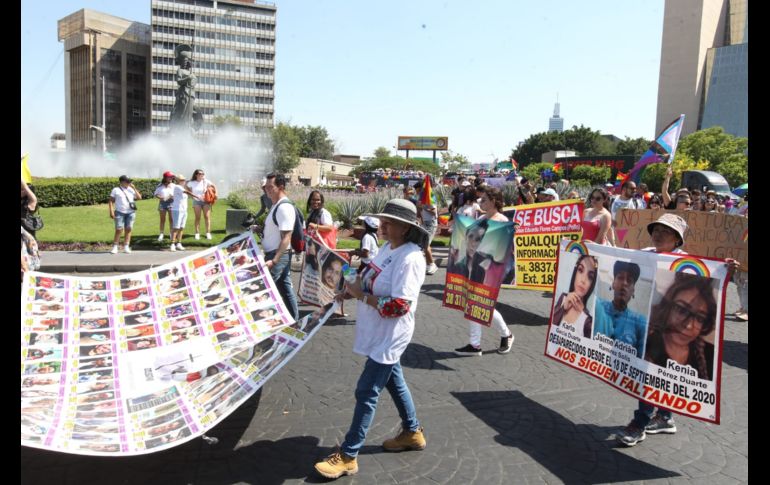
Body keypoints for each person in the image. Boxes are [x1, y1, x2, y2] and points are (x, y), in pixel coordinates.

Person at [314, 199, 428, 480]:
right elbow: (367, 277)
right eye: (382, 221)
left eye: (388, 223)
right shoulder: (388, 248)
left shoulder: (411, 258)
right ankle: (412, 432)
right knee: (394, 380)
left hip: (391, 334)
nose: (381, 226)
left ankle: (349, 455)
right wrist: (348, 286)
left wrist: (361, 296)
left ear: (405, 228)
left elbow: (400, 305)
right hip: (377, 330)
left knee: (366, 390)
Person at [452, 187, 514, 356]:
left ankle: (505, 334)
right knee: (473, 304)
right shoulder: (481, 218)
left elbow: (503, 249)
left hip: (490, 270)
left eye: (484, 200)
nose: (481, 202)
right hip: (474, 266)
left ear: (493, 201)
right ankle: (475, 344)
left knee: (483, 304)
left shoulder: (501, 220)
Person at [644, 273, 716, 380]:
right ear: (666, 307)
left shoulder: (710, 355)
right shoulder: (644, 343)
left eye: (699, 318)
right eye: (682, 310)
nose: (689, 325)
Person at [262, 173, 300, 321]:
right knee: (285, 288)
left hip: (278, 255)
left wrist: (274, 260)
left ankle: (264, 321)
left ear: (281, 187)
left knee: (264, 288)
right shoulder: (276, 205)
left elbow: (286, 237)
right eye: (266, 187)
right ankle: (294, 321)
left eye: (270, 187)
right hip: (277, 254)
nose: (267, 190)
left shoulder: (284, 207)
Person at [592, 260, 646, 357]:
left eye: (629, 280)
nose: (624, 283)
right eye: (620, 278)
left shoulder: (639, 323)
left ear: (633, 290)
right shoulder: (597, 306)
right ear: (613, 284)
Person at [552, 255, 598, 337]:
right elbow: (550, 328)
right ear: (575, 272)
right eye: (580, 270)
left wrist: (583, 313)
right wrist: (563, 308)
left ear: (592, 284)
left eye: (590, 277)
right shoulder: (563, 298)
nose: (583, 280)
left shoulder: (588, 321)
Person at [108, 175, 142, 254]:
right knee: (119, 229)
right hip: (120, 212)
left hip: (131, 212)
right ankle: (115, 246)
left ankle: (126, 246)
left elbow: (139, 197)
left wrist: (134, 188)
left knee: (129, 228)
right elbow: (110, 201)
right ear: (122, 182)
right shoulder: (116, 190)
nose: (129, 183)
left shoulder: (131, 189)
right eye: (127, 181)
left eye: (129, 181)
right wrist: (111, 211)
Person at [413, 179, 439, 275]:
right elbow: (419, 213)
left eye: (417, 190)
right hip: (425, 223)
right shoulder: (421, 199)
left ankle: (432, 264)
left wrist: (423, 207)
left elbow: (434, 212)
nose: (416, 192)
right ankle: (429, 264)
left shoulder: (430, 198)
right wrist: (418, 207)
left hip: (431, 223)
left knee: (425, 244)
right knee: (424, 244)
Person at [169, 174, 199, 251]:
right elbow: (187, 192)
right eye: (182, 180)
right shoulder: (177, 187)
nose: (184, 181)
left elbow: (187, 190)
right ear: (178, 181)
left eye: (184, 180)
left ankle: (179, 243)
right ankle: (172, 244)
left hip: (184, 210)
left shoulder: (182, 187)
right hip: (177, 210)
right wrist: (197, 196)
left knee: (182, 227)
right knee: (176, 227)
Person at [186, 169, 217, 240]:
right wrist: (191, 193)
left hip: (206, 201)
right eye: (200, 174)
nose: (202, 175)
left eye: (203, 174)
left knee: (207, 217)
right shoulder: (192, 182)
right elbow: (186, 186)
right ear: (196, 175)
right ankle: (197, 233)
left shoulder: (206, 181)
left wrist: (216, 194)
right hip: (196, 201)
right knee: (197, 217)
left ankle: (208, 233)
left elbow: (214, 186)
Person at [153, 171, 176, 241]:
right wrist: (161, 197)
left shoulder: (174, 185)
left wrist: (172, 196)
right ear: (165, 178)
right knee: (162, 219)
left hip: (172, 203)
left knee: (171, 219)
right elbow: (156, 194)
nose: (171, 178)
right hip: (162, 203)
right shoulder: (160, 185)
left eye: (171, 177)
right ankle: (161, 234)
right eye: (169, 177)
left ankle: (171, 233)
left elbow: (176, 194)